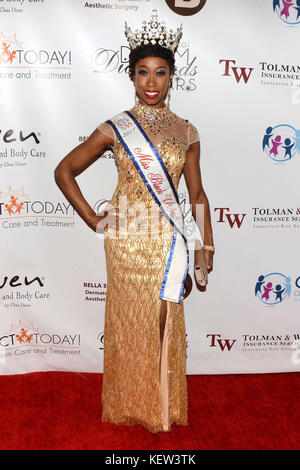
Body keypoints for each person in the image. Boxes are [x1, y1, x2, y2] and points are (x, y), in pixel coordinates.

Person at [54, 9, 215, 434]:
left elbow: (196, 194)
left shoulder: (187, 131)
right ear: (132, 76)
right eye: (143, 72)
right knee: (130, 326)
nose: (150, 82)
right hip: (126, 240)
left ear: (172, 76)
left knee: (164, 323)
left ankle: (162, 407)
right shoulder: (116, 128)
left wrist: (206, 245)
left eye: (160, 73)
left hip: (169, 240)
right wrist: (94, 219)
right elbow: (64, 171)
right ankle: (132, 405)